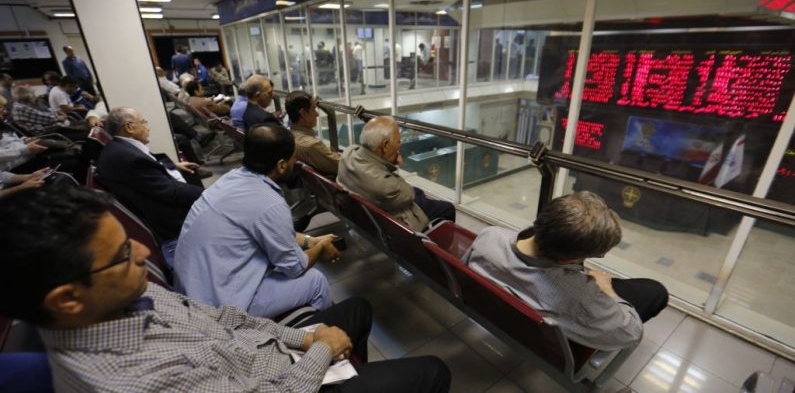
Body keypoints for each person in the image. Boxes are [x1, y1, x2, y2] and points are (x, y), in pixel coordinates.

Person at [0, 185, 452, 393]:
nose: (143, 251)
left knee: (356, 308)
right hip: (279, 382)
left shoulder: (124, 297)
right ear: (67, 299)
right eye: (120, 253)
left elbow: (224, 317)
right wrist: (319, 352)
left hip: (264, 354)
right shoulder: (132, 382)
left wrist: (308, 338)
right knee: (431, 372)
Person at [463, 191, 669, 351]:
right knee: (655, 292)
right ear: (570, 258)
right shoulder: (579, 297)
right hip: (546, 336)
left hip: (497, 309)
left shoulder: (490, 235)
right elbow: (631, 333)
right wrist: (607, 288)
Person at [177, 124, 339, 318]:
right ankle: (323, 336)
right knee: (316, 281)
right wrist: (320, 248)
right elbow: (295, 268)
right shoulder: (270, 203)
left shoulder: (231, 179)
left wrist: (309, 241)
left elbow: (266, 229)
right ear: (281, 165)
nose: (296, 161)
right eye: (294, 157)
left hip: (194, 290)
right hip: (218, 309)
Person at [96, 107, 204, 252]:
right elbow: (170, 192)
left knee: (191, 175)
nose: (147, 127)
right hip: (172, 224)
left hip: (157, 207)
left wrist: (173, 166)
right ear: (129, 127)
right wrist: (207, 194)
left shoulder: (120, 148)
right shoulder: (130, 158)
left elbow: (150, 170)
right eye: (143, 122)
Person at [337, 116, 455, 232]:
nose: (400, 144)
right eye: (398, 140)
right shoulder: (386, 187)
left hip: (365, 213)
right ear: (385, 145)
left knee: (418, 192)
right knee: (447, 208)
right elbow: (407, 192)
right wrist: (394, 164)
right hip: (397, 223)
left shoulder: (348, 153)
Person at [286, 90, 340, 177]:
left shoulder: (289, 135)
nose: (317, 114)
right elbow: (341, 165)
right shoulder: (312, 145)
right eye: (313, 109)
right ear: (303, 113)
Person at [11, 85, 87, 141]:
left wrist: (57, 114)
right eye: (33, 94)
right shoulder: (21, 108)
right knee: (87, 133)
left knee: (87, 125)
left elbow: (43, 114)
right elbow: (44, 118)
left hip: (53, 127)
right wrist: (58, 117)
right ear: (27, 96)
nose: (34, 96)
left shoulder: (22, 106)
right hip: (49, 132)